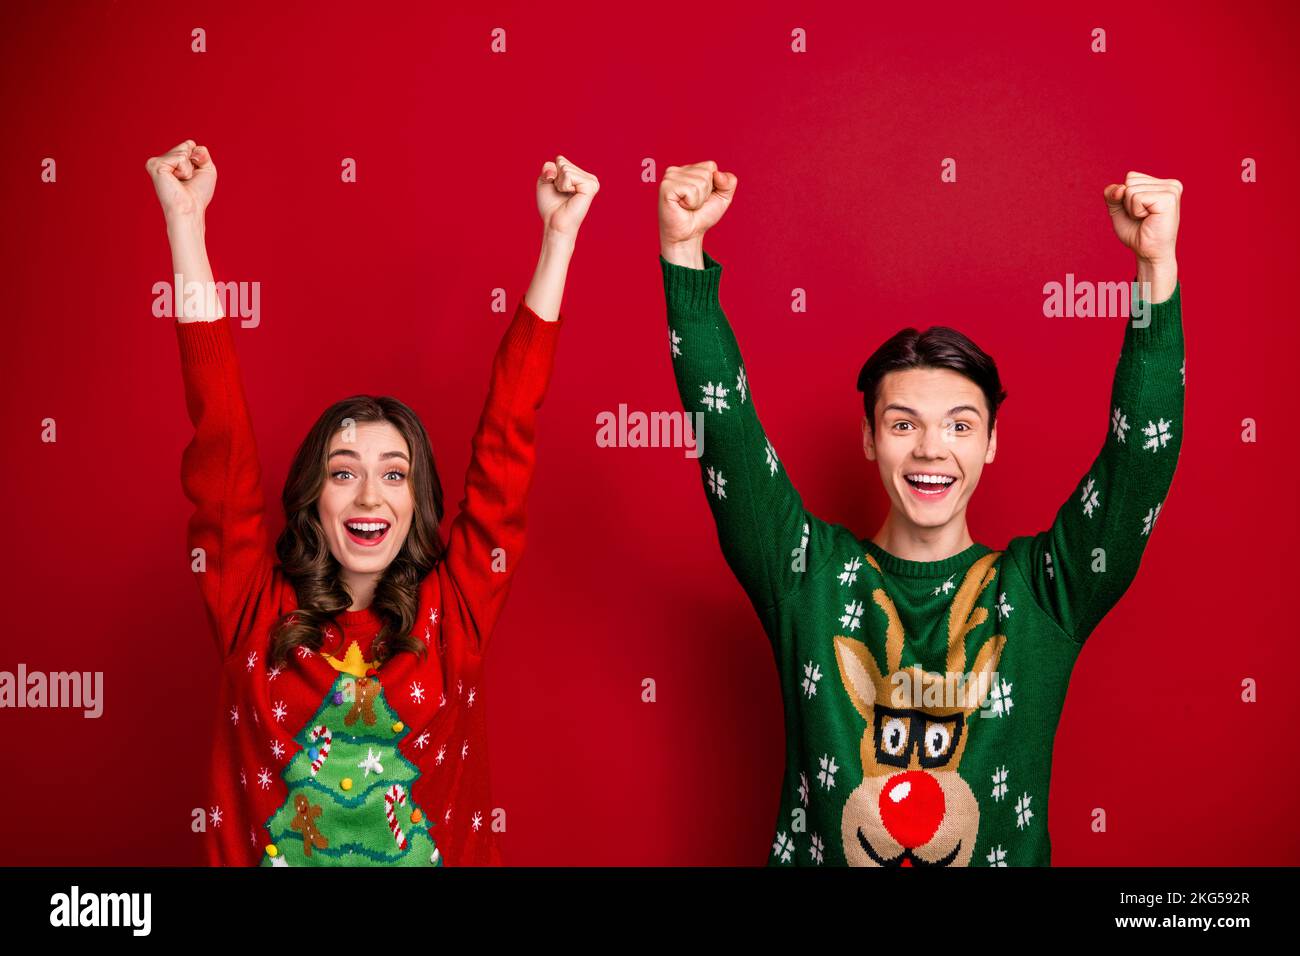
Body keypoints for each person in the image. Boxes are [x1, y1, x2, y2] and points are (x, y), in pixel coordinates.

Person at [657, 162, 1184, 866]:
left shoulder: (1042, 594)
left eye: (961, 426)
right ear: (870, 438)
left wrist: (1156, 269)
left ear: (992, 442)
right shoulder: (807, 576)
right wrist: (682, 255)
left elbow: (1138, 465)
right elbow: (726, 427)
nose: (932, 448)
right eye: (903, 424)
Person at [147, 139, 598, 866]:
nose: (368, 494)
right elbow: (220, 434)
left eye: (394, 474)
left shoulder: (459, 614)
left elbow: (509, 433)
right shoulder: (250, 611)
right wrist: (185, 228)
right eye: (343, 471)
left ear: (417, 501)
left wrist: (558, 240)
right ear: (311, 498)